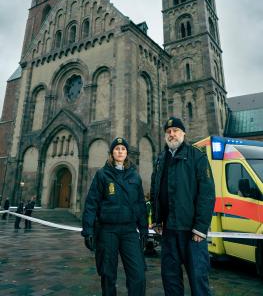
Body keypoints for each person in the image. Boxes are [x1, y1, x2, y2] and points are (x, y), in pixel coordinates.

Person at [150, 117, 215, 296]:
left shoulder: (197, 156)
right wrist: (156, 219)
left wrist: (200, 228)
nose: (172, 134)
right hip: (168, 230)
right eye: (168, 132)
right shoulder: (161, 159)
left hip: (191, 232)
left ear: (183, 133)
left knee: (198, 280)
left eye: (176, 130)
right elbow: (155, 190)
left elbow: (207, 193)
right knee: (170, 280)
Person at [82, 137, 148, 296]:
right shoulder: (102, 174)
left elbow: (140, 204)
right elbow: (92, 203)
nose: (120, 151)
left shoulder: (134, 175)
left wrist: (144, 229)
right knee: (108, 274)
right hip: (107, 231)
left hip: (129, 231)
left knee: (138, 274)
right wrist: (88, 230)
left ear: (127, 153)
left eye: (123, 149)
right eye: (117, 149)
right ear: (112, 152)